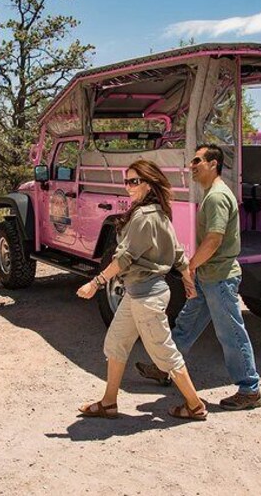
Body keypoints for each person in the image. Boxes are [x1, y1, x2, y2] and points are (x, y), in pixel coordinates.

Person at [76, 160, 208, 420]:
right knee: (116, 342)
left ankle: (195, 406)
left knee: (163, 353)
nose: (128, 186)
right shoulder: (158, 212)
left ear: (149, 185)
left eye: (134, 181)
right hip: (138, 293)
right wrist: (186, 279)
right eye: (127, 181)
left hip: (147, 296)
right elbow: (178, 249)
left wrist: (96, 283)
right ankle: (109, 402)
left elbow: (124, 258)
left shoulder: (144, 216)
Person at [136, 144, 261, 411]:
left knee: (231, 334)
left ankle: (250, 389)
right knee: (186, 324)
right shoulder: (210, 194)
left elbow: (214, 240)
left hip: (219, 277)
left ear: (213, 164)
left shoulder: (216, 196)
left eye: (197, 161)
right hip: (210, 277)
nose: (192, 166)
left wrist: (191, 266)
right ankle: (164, 369)